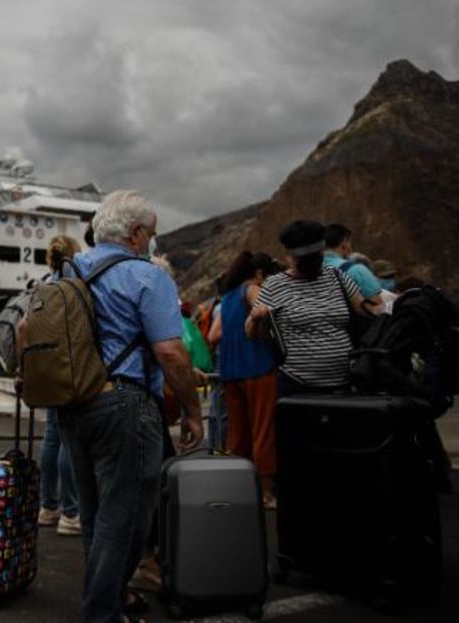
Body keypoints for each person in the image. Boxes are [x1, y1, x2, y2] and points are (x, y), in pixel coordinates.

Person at [56, 190, 204, 623]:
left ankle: (110, 603)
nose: (153, 241)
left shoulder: (66, 272)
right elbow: (172, 353)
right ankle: (102, 613)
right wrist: (192, 412)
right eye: (153, 233)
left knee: (95, 515)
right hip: (125, 404)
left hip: (72, 404)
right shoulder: (147, 276)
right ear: (137, 234)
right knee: (125, 520)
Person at [248, 221, 368, 397]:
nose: (311, 264)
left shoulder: (337, 277)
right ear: (289, 256)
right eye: (304, 259)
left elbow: (364, 311)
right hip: (297, 387)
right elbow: (250, 332)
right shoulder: (275, 285)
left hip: (344, 387)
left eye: (316, 256)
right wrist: (255, 317)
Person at [209, 251, 281, 507]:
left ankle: (239, 488)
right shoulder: (250, 290)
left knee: (238, 434)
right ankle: (266, 493)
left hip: (231, 372)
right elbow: (266, 310)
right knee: (263, 431)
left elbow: (212, 336)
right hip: (258, 367)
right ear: (259, 274)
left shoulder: (226, 298)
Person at [37, 235, 82, 536]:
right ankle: (71, 512)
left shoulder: (45, 284)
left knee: (51, 437)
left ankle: (47, 507)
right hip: (68, 365)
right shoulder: (72, 286)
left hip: (45, 365)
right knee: (68, 439)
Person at [323, 223, 383, 313]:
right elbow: (378, 307)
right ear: (344, 242)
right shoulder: (356, 270)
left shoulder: (306, 270)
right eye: (350, 242)